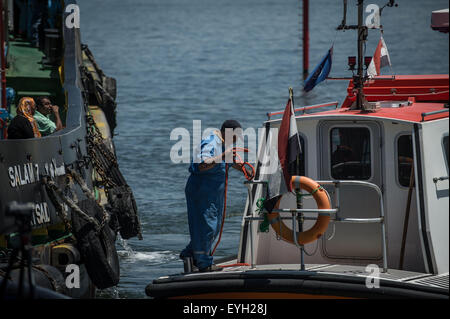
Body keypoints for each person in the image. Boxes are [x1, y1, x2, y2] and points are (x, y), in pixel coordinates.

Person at [180, 119, 244, 272]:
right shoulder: (211, 143)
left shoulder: (223, 146)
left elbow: (229, 161)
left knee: (213, 227)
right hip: (201, 193)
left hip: (213, 195)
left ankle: (189, 254)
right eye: (235, 137)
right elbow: (202, 164)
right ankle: (204, 263)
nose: (236, 141)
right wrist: (222, 155)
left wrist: (249, 172)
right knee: (207, 227)